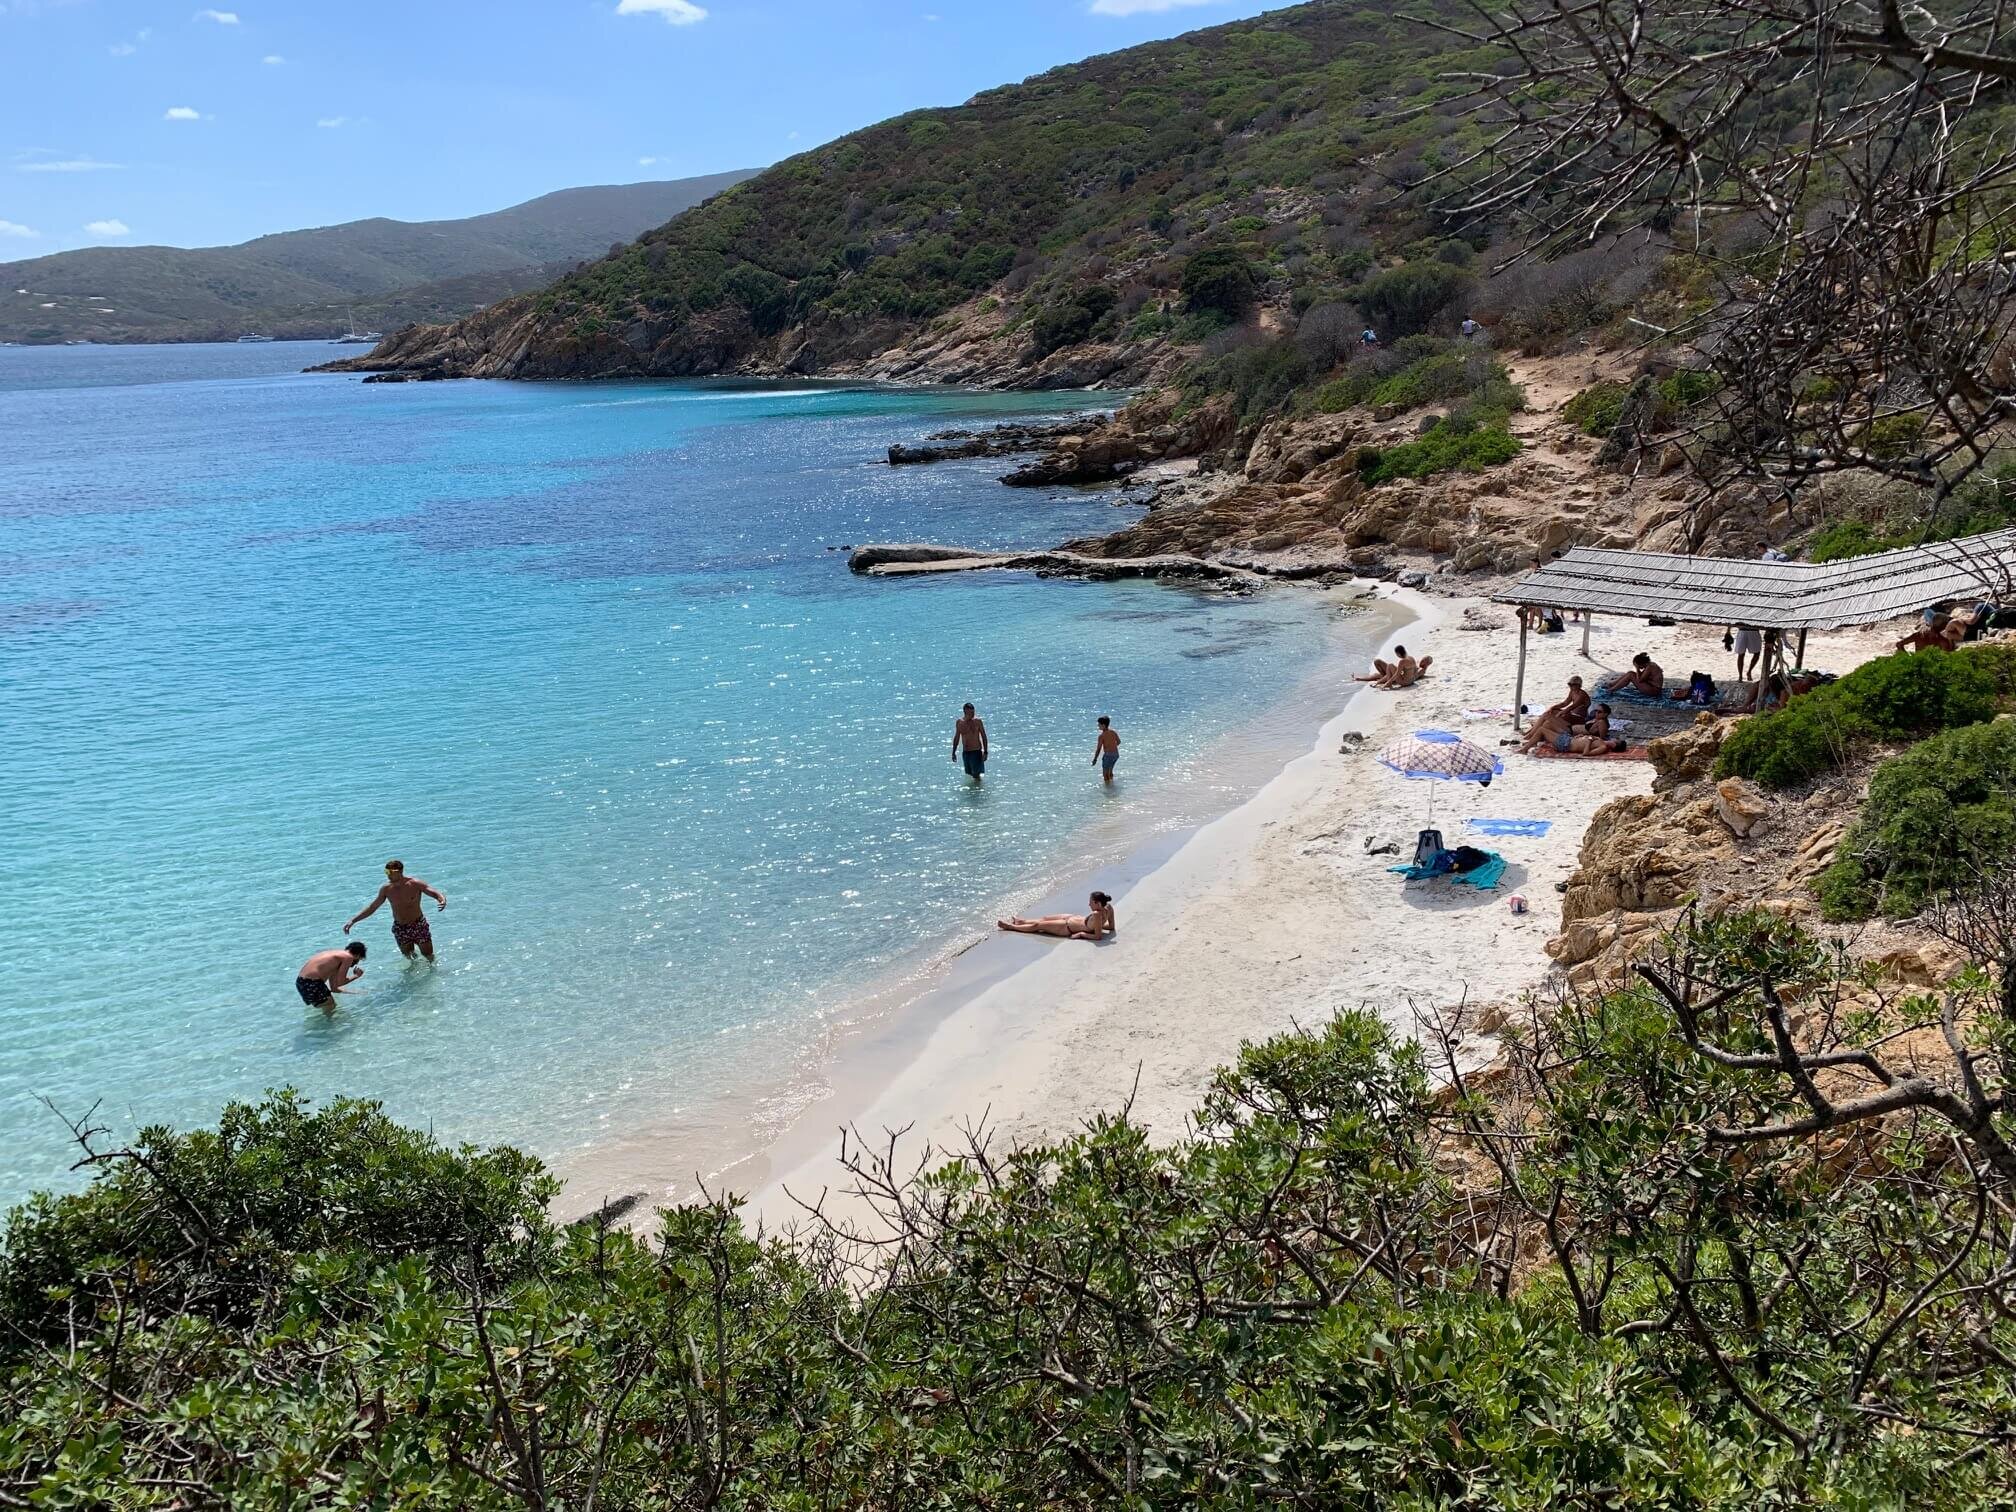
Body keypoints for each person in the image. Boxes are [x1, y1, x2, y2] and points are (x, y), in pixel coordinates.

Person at [345, 859, 447, 963]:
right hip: (400, 927)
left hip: (418, 925)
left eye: (391, 872)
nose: (388, 875)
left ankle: (433, 972)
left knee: (428, 956)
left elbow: (433, 892)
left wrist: (442, 900)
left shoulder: (415, 883)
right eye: (386, 872)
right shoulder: (386, 889)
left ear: (400, 871)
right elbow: (372, 907)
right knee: (409, 957)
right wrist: (353, 920)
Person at [998, 891, 1116, 941]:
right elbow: (1111, 927)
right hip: (1072, 918)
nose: (1088, 904)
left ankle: (1011, 927)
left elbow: (1098, 937)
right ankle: (1021, 922)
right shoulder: (1108, 907)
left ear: (1097, 903)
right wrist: (1097, 926)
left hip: (1066, 927)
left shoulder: (1096, 914)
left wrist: (1081, 934)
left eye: (1091, 902)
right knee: (1044, 918)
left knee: (1038, 925)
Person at [296, 941, 366, 1011]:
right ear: (358, 955)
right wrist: (356, 975)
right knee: (330, 1006)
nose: (357, 963)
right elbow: (340, 982)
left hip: (301, 983)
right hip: (312, 982)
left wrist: (356, 992)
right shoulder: (348, 957)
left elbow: (334, 988)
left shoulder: (336, 958)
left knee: (328, 1005)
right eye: (358, 960)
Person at [1354, 646, 1434, 689]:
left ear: (1427, 664)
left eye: (1424, 661)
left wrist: (1387, 682)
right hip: (1400, 675)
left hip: (1401, 679)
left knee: (1381, 673)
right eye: (1423, 659)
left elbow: (1411, 677)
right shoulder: (1413, 660)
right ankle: (1364, 678)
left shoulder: (1422, 670)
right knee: (1377, 661)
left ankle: (1363, 679)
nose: (1422, 660)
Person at [953, 702, 989, 783]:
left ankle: (979, 789)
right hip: (966, 752)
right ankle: (977, 789)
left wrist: (985, 752)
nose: (973, 714)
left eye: (973, 712)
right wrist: (953, 752)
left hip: (976, 751)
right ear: (965, 711)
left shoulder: (977, 721)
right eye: (970, 712)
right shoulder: (959, 722)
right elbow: (956, 737)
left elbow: (984, 736)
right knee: (969, 774)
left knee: (976, 775)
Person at [1092, 716, 1121, 784]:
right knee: (1110, 771)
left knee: (1105, 774)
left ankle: (1108, 788)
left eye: (1099, 724)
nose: (1098, 726)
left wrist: (1095, 759)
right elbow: (1119, 742)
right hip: (1115, 754)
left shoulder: (1101, 736)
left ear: (1103, 725)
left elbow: (1098, 749)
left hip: (1108, 755)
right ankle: (1112, 784)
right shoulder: (1113, 732)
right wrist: (1112, 746)